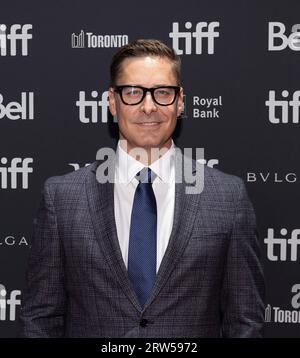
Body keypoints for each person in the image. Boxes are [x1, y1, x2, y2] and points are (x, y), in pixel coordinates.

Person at [19, 39, 265, 338]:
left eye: (162, 92)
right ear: (113, 101)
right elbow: (41, 320)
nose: (148, 107)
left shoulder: (227, 197)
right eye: (133, 92)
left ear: (180, 100)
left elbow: (245, 322)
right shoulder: (62, 198)